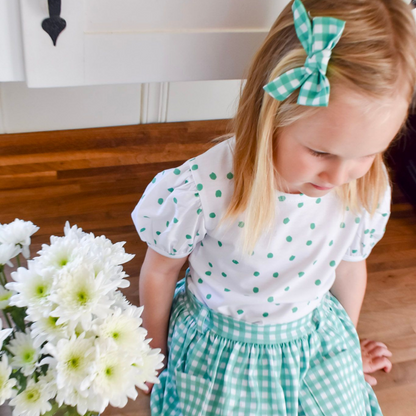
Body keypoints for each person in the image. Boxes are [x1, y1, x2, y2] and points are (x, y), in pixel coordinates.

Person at [131, 0, 416, 414]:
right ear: (272, 113)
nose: (339, 176)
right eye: (321, 151)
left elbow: (350, 267)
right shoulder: (204, 188)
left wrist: (348, 346)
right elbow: (160, 271)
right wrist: (153, 358)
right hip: (221, 349)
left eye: (368, 153)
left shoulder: (364, 188)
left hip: (313, 338)